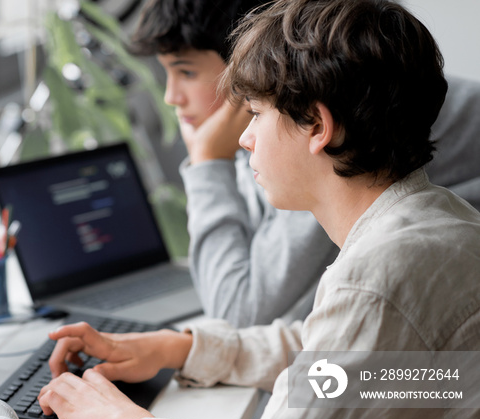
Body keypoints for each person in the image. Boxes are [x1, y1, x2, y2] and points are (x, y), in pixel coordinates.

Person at [37, 0, 480, 419]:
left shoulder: (379, 282)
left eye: (255, 113)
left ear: (317, 125)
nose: (245, 138)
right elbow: (354, 365)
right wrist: (182, 347)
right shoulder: (435, 224)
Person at [129, 0, 480, 329]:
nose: (171, 97)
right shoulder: (298, 123)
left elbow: (238, 311)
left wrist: (207, 161)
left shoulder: (327, 148)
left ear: (246, 58)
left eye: (186, 72)